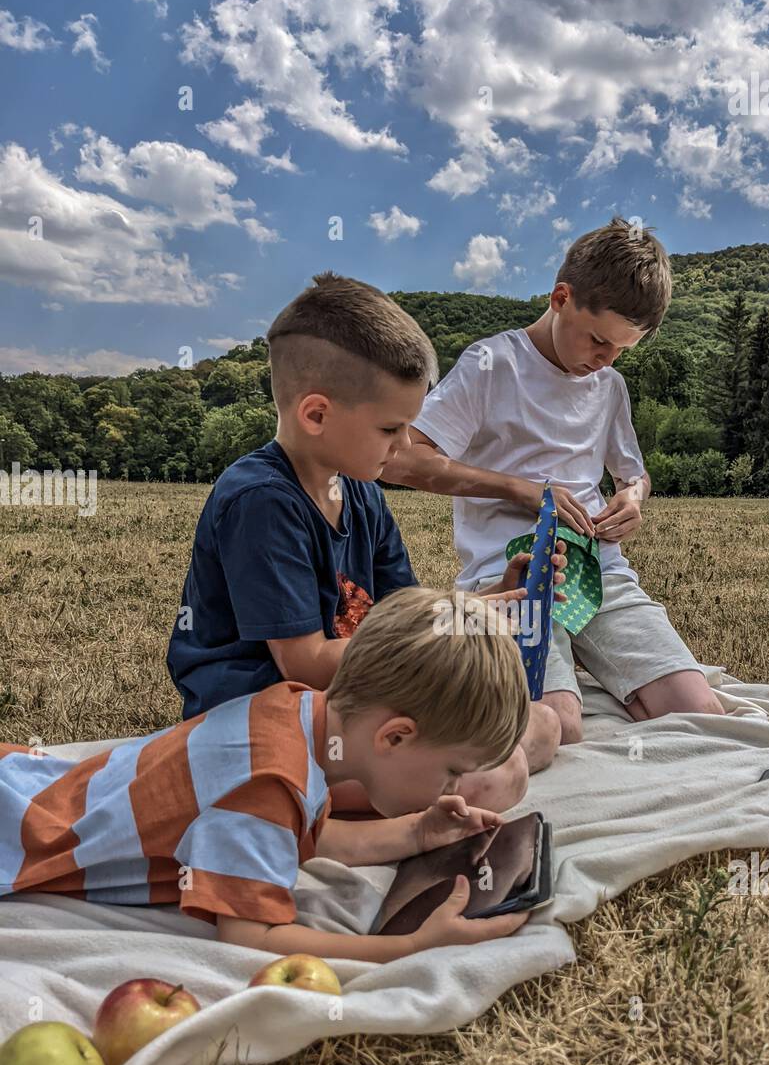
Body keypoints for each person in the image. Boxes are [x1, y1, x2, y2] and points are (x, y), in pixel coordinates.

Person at [166, 271, 561, 810]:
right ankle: (295, 807)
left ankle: (369, 794)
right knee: (495, 775)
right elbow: (303, 664)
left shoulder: (361, 490)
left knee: (539, 724)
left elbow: (402, 618)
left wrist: (482, 603)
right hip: (261, 721)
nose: (404, 446)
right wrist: (458, 627)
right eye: (389, 429)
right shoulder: (261, 501)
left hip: (349, 701)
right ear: (317, 414)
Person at [3, 589, 533, 963]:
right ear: (394, 736)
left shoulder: (298, 713)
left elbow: (303, 837)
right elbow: (250, 940)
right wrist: (407, 949)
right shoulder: (268, 783)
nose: (450, 789)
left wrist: (417, 833)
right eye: (452, 772)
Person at [390, 218, 724, 745]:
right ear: (561, 298)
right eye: (597, 340)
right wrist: (523, 490)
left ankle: (585, 671)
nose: (605, 360)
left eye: (621, 350)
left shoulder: (609, 385)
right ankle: (549, 678)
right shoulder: (491, 363)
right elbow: (403, 460)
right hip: (511, 577)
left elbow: (633, 473)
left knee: (696, 712)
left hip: (598, 570)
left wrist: (632, 498)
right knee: (559, 726)